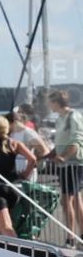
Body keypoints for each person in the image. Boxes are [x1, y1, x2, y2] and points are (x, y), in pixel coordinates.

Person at [47, 90, 83, 245]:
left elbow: (77, 141)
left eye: (50, 102)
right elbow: (60, 143)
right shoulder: (60, 118)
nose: (48, 105)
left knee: (68, 200)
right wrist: (48, 154)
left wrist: (63, 157)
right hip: (65, 165)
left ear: (56, 102)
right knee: (74, 199)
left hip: (72, 164)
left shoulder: (72, 116)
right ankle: (77, 234)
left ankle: (71, 237)